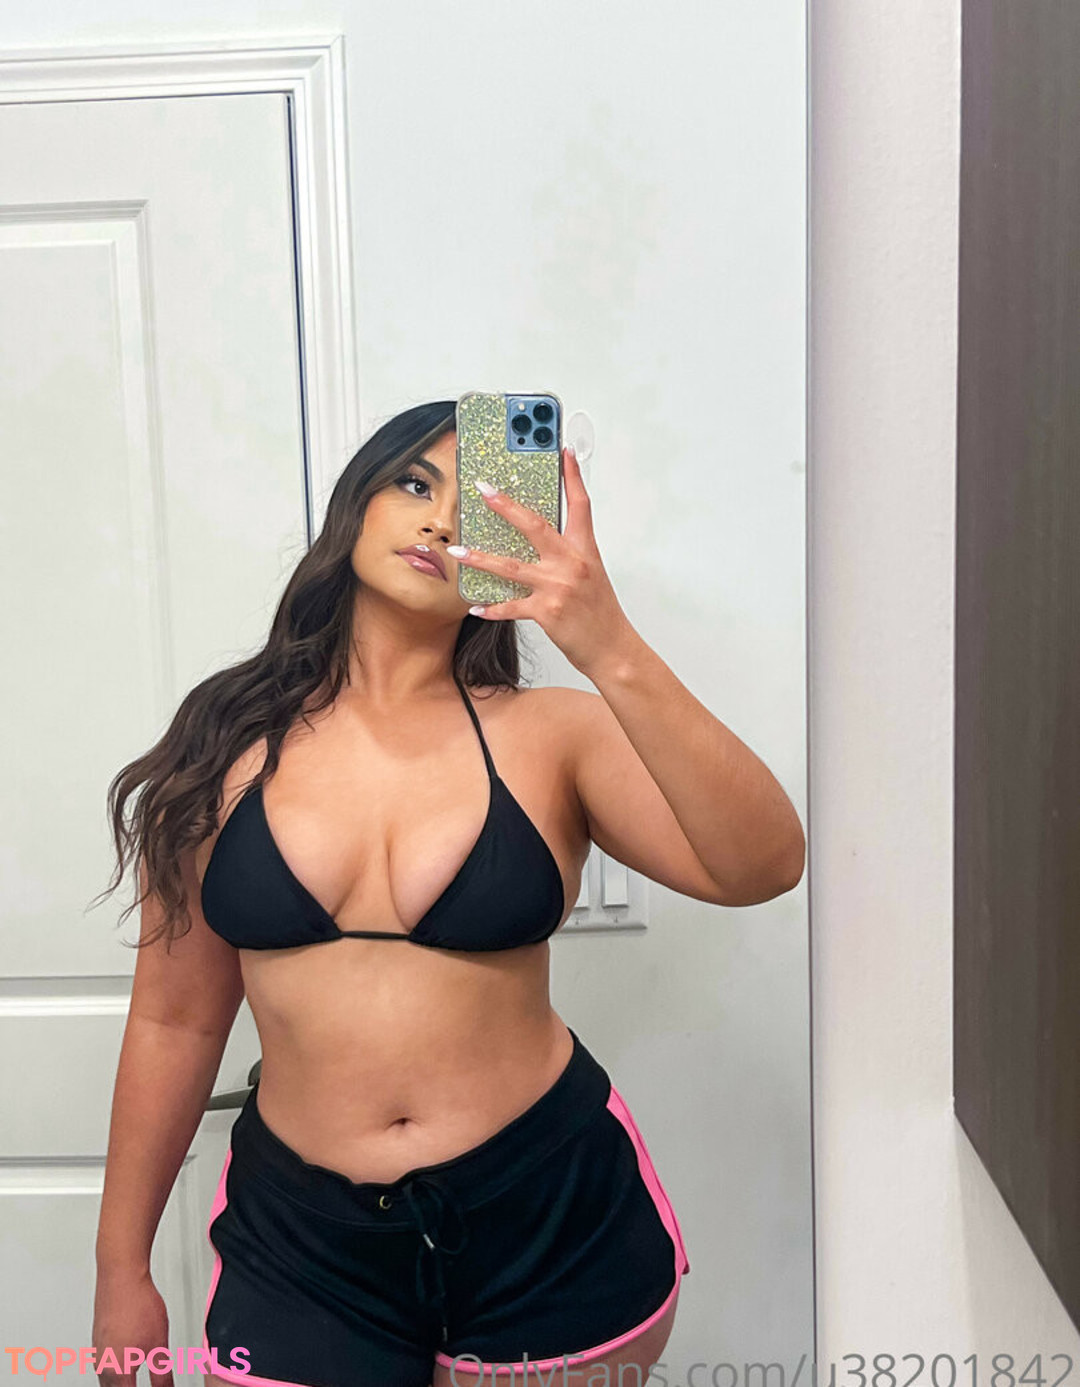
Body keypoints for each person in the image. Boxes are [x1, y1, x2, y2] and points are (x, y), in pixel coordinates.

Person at [90, 400, 805, 1387]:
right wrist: (120, 1264)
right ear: (356, 507)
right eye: (415, 484)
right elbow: (174, 1020)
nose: (439, 521)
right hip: (302, 1241)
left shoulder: (554, 734)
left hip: (548, 1215)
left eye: (478, 510)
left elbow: (762, 864)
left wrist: (607, 642)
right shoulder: (224, 744)